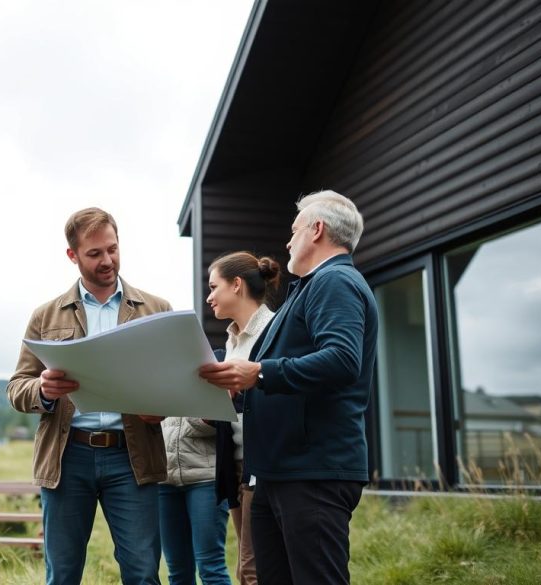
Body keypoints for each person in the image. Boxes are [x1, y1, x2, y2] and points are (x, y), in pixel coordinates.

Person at [198, 191, 378, 585]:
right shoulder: (309, 288)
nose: (287, 241)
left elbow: (343, 359)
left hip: (311, 473)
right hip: (277, 474)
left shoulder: (336, 281)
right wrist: (240, 390)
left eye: (294, 230)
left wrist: (258, 373)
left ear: (317, 230)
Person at [6, 207, 172, 585]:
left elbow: (173, 381)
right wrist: (43, 391)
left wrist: (160, 407)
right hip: (68, 459)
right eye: (95, 253)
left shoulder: (156, 310)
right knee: (62, 575)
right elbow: (17, 387)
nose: (107, 260)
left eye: (112, 249)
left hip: (133, 458)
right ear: (73, 256)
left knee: (144, 574)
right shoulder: (45, 316)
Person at [205, 251, 281, 585]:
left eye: (213, 287)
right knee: (249, 565)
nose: (209, 297)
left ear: (236, 285)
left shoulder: (277, 330)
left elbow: (280, 388)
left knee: (252, 570)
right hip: (235, 464)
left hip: (262, 464)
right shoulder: (231, 340)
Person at [158, 414, 231, 585]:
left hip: (206, 478)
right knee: (177, 569)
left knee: (211, 566)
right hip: (164, 479)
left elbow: (221, 422)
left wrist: (194, 417)